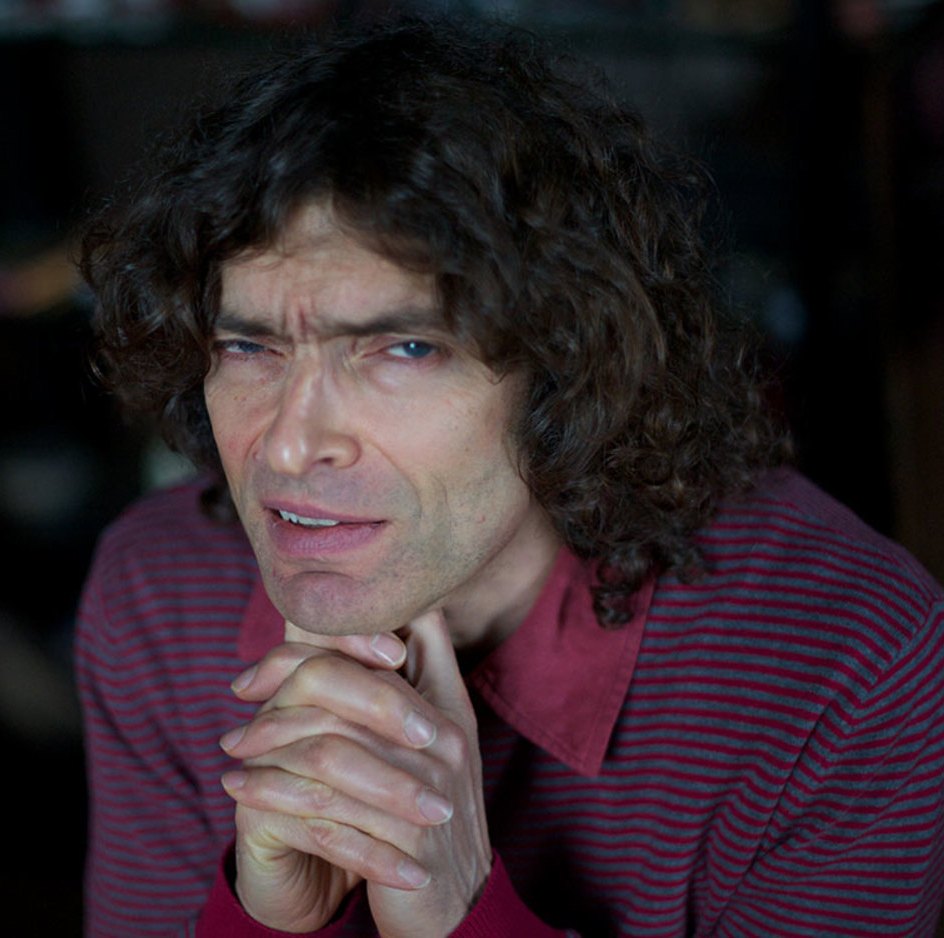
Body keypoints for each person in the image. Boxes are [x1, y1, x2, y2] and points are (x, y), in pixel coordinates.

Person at [75, 15, 944, 938]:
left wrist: (462, 917)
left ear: (565, 366)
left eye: (405, 349)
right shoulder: (161, 590)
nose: (288, 448)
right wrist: (267, 924)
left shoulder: (844, 664)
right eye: (247, 346)